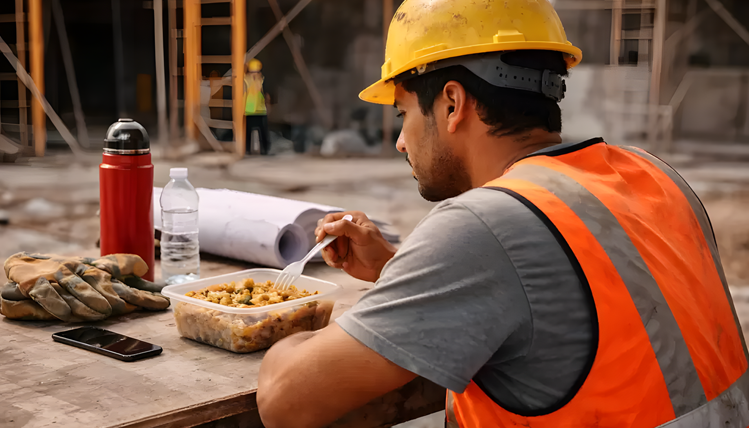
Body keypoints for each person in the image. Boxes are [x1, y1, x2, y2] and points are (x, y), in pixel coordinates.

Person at [256, 0, 749, 427]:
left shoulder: (482, 226)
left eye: (403, 112)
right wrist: (399, 267)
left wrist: (276, 322)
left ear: (452, 103)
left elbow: (285, 404)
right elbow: (571, 303)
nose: (402, 141)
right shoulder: (653, 173)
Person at [244, 58, 270, 155]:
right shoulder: (252, 80)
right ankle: (263, 150)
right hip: (253, 110)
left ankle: (249, 150)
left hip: (254, 110)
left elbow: (266, 94)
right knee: (259, 132)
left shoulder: (247, 79)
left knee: (253, 133)